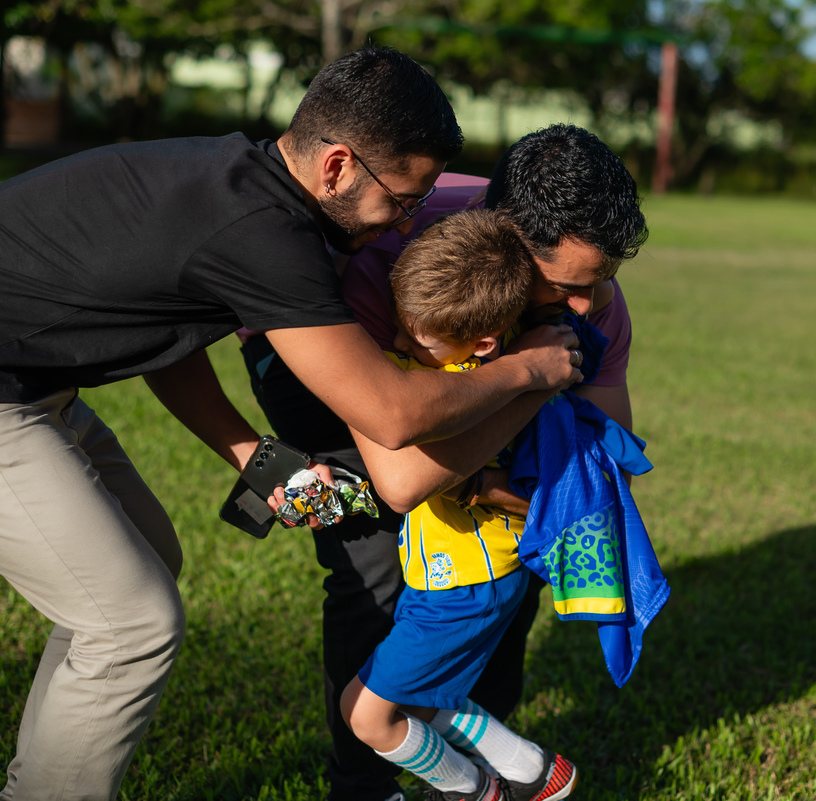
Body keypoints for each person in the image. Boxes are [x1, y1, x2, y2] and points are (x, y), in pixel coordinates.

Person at [0, 47, 583, 801]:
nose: (407, 221)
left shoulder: (229, 180)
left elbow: (166, 334)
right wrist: (530, 370)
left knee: (145, 565)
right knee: (131, 625)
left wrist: (254, 456)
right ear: (337, 168)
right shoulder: (268, 235)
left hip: (21, 383)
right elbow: (392, 412)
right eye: (403, 200)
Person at [241, 124, 647, 801]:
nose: (587, 306)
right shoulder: (395, 274)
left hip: (486, 356)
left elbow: (603, 475)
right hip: (320, 350)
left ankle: (490, 774)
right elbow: (401, 479)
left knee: (511, 563)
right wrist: (527, 380)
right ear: (506, 248)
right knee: (373, 561)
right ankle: (365, 788)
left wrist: (513, 486)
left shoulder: (589, 298)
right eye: (564, 286)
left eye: (600, 281)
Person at [337, 207, 578, 801]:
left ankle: (476, 792)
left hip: (468, 584)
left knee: (366, 715)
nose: (399, 343)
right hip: (449, 580)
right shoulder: (468, 366)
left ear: (482, 343)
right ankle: (533, 772)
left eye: (417, 340)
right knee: (421, 696)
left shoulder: (485, 395)